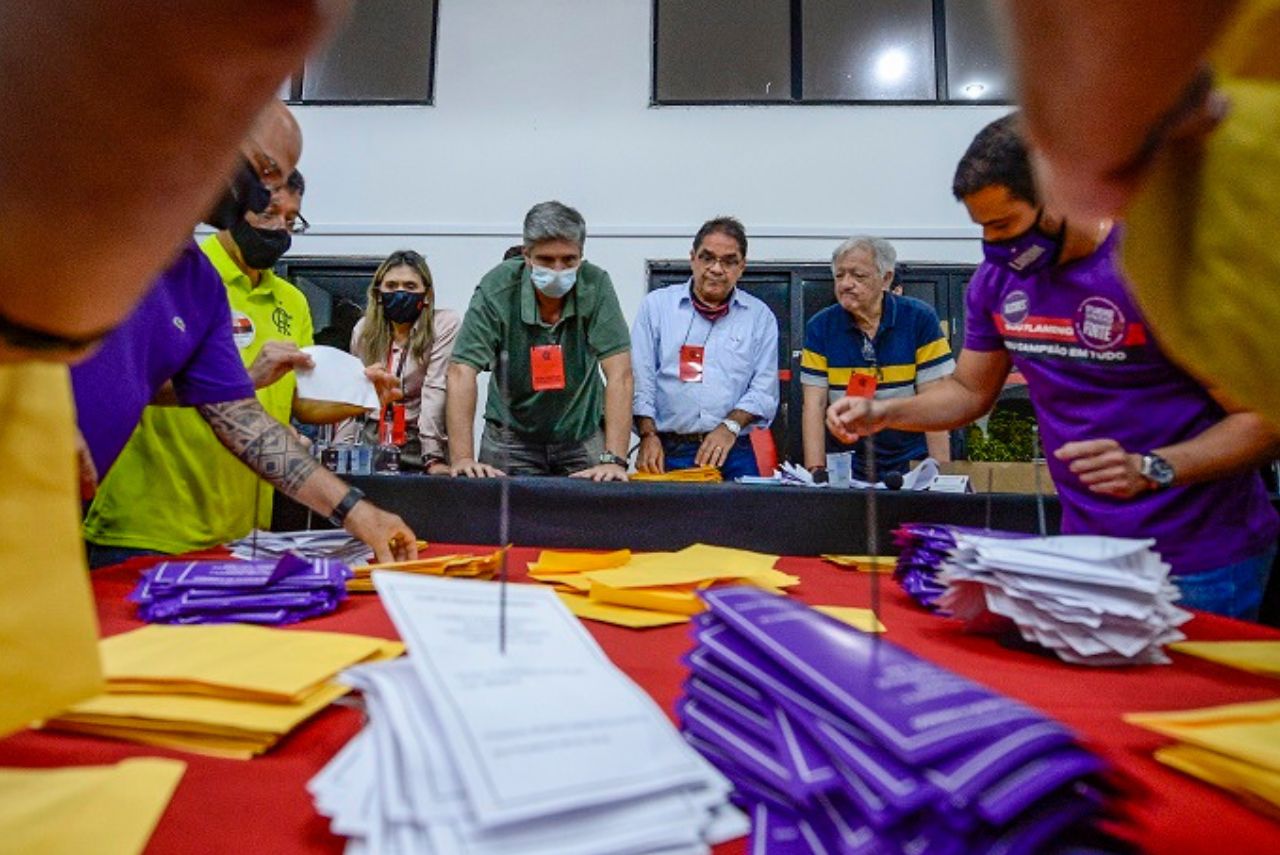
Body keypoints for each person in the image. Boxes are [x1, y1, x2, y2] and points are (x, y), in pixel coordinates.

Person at [827, 115, 1280, 619]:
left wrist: (1153, 467)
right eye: (982, 228)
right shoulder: (996, 283)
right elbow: (969, 391)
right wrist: (886, 412)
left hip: (1203, 560)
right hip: (1085, 553)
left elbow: (1262, 419)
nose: (993, 246)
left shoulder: (1162, 271)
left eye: (1004, 225)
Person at [73, 103, 417, 568]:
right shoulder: (90, 225)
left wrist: (357, 511)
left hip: (54, 517)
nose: (268, 196)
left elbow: (246, 424)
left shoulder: (198, 285)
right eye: (268, 173)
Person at [446, 201, 633, 481]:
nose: (558, 270)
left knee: (593, 520)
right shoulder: (495, 288)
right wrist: (462, 458)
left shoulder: (596, 285)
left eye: (569, 260)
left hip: (581, 435)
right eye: (546, 259)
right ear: (527, 255)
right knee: (498, 522)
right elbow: (461, 372)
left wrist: (614, 460)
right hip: (510, 439)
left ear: (581, 255)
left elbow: (621, 375)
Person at [631, 217, 778, 480]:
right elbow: (641, 379)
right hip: (668, 449)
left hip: (734, 449)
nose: (716, 269)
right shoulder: (657, 307)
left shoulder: (759, 316)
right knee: (669, 522)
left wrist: (729, 426)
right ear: (692, 259)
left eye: (729, 261)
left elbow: (764, 390)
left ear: (742, 267)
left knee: (746, 521)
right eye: (707, 258)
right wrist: (647, 435)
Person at [802, 236, 954, 481]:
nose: (846, 284)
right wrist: (815, 472)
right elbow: (814, 406)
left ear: (886, 279)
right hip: (846, 459)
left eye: (857, 276)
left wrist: (941, 475)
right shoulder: (820, 327)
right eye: (840, 276)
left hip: (911, 459)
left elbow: (934, 401)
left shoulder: (919, 319)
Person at [347, 250, 460, 473]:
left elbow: (435, 388)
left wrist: (433, 458)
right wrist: (345, 447)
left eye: (410, 286)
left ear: (426, 295)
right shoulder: (363, 330)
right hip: (375, 436)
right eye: (391, 286)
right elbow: (355, 394)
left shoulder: (444, 324)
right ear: (379, 293)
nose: (400, 293)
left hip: (423, 439)